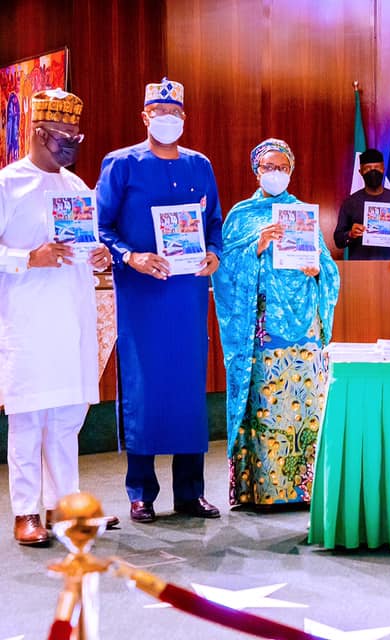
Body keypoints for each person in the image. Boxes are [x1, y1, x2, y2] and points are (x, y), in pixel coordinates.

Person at [96, 78, 223, 524]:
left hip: (186, 295)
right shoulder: (121, 164)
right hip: (142, 294)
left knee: (188, 389)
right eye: (158, 112)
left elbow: (215, 225)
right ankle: (141, 492)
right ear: (144, 116)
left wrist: (214, 254)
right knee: (144, 388)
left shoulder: (200, 165)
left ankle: (190, 491)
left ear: (184, 118)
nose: (167, 120)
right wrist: (131, 256)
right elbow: (101, 227)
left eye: (174, 114)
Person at [0, 89, 116, 545]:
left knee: (67, 418)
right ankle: (25, 511)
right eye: (60, 136)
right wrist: (28, 258)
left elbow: (81, 248)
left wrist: (98, 256)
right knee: (29, 418)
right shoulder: (9, 183)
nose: (69, 144)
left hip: (71, 317)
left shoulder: (76, 187)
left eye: (75, 137)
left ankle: (64, 507)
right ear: (36, 132)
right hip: (28, 319)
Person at [212, 139, 340, 507]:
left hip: (304, 330)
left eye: (282, 167)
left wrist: (318, 270)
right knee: (267, 404)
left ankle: (306, 488)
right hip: (263, 327)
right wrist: (257, 245)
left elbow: (329, 269)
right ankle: (264, 491)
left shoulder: (303, 214)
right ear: (256, 171)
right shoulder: (242, 216)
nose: (276, 173)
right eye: (269, 167)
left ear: (291, 171)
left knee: (305, 403)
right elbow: (224, 270)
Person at [333, 148, 390, 260]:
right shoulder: (350, 203)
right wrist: (350, 234)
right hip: (360, 268)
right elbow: (338, 240)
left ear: (383, 169)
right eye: (367, 169)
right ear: (360, 172)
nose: (373, 172)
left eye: (377, 168)